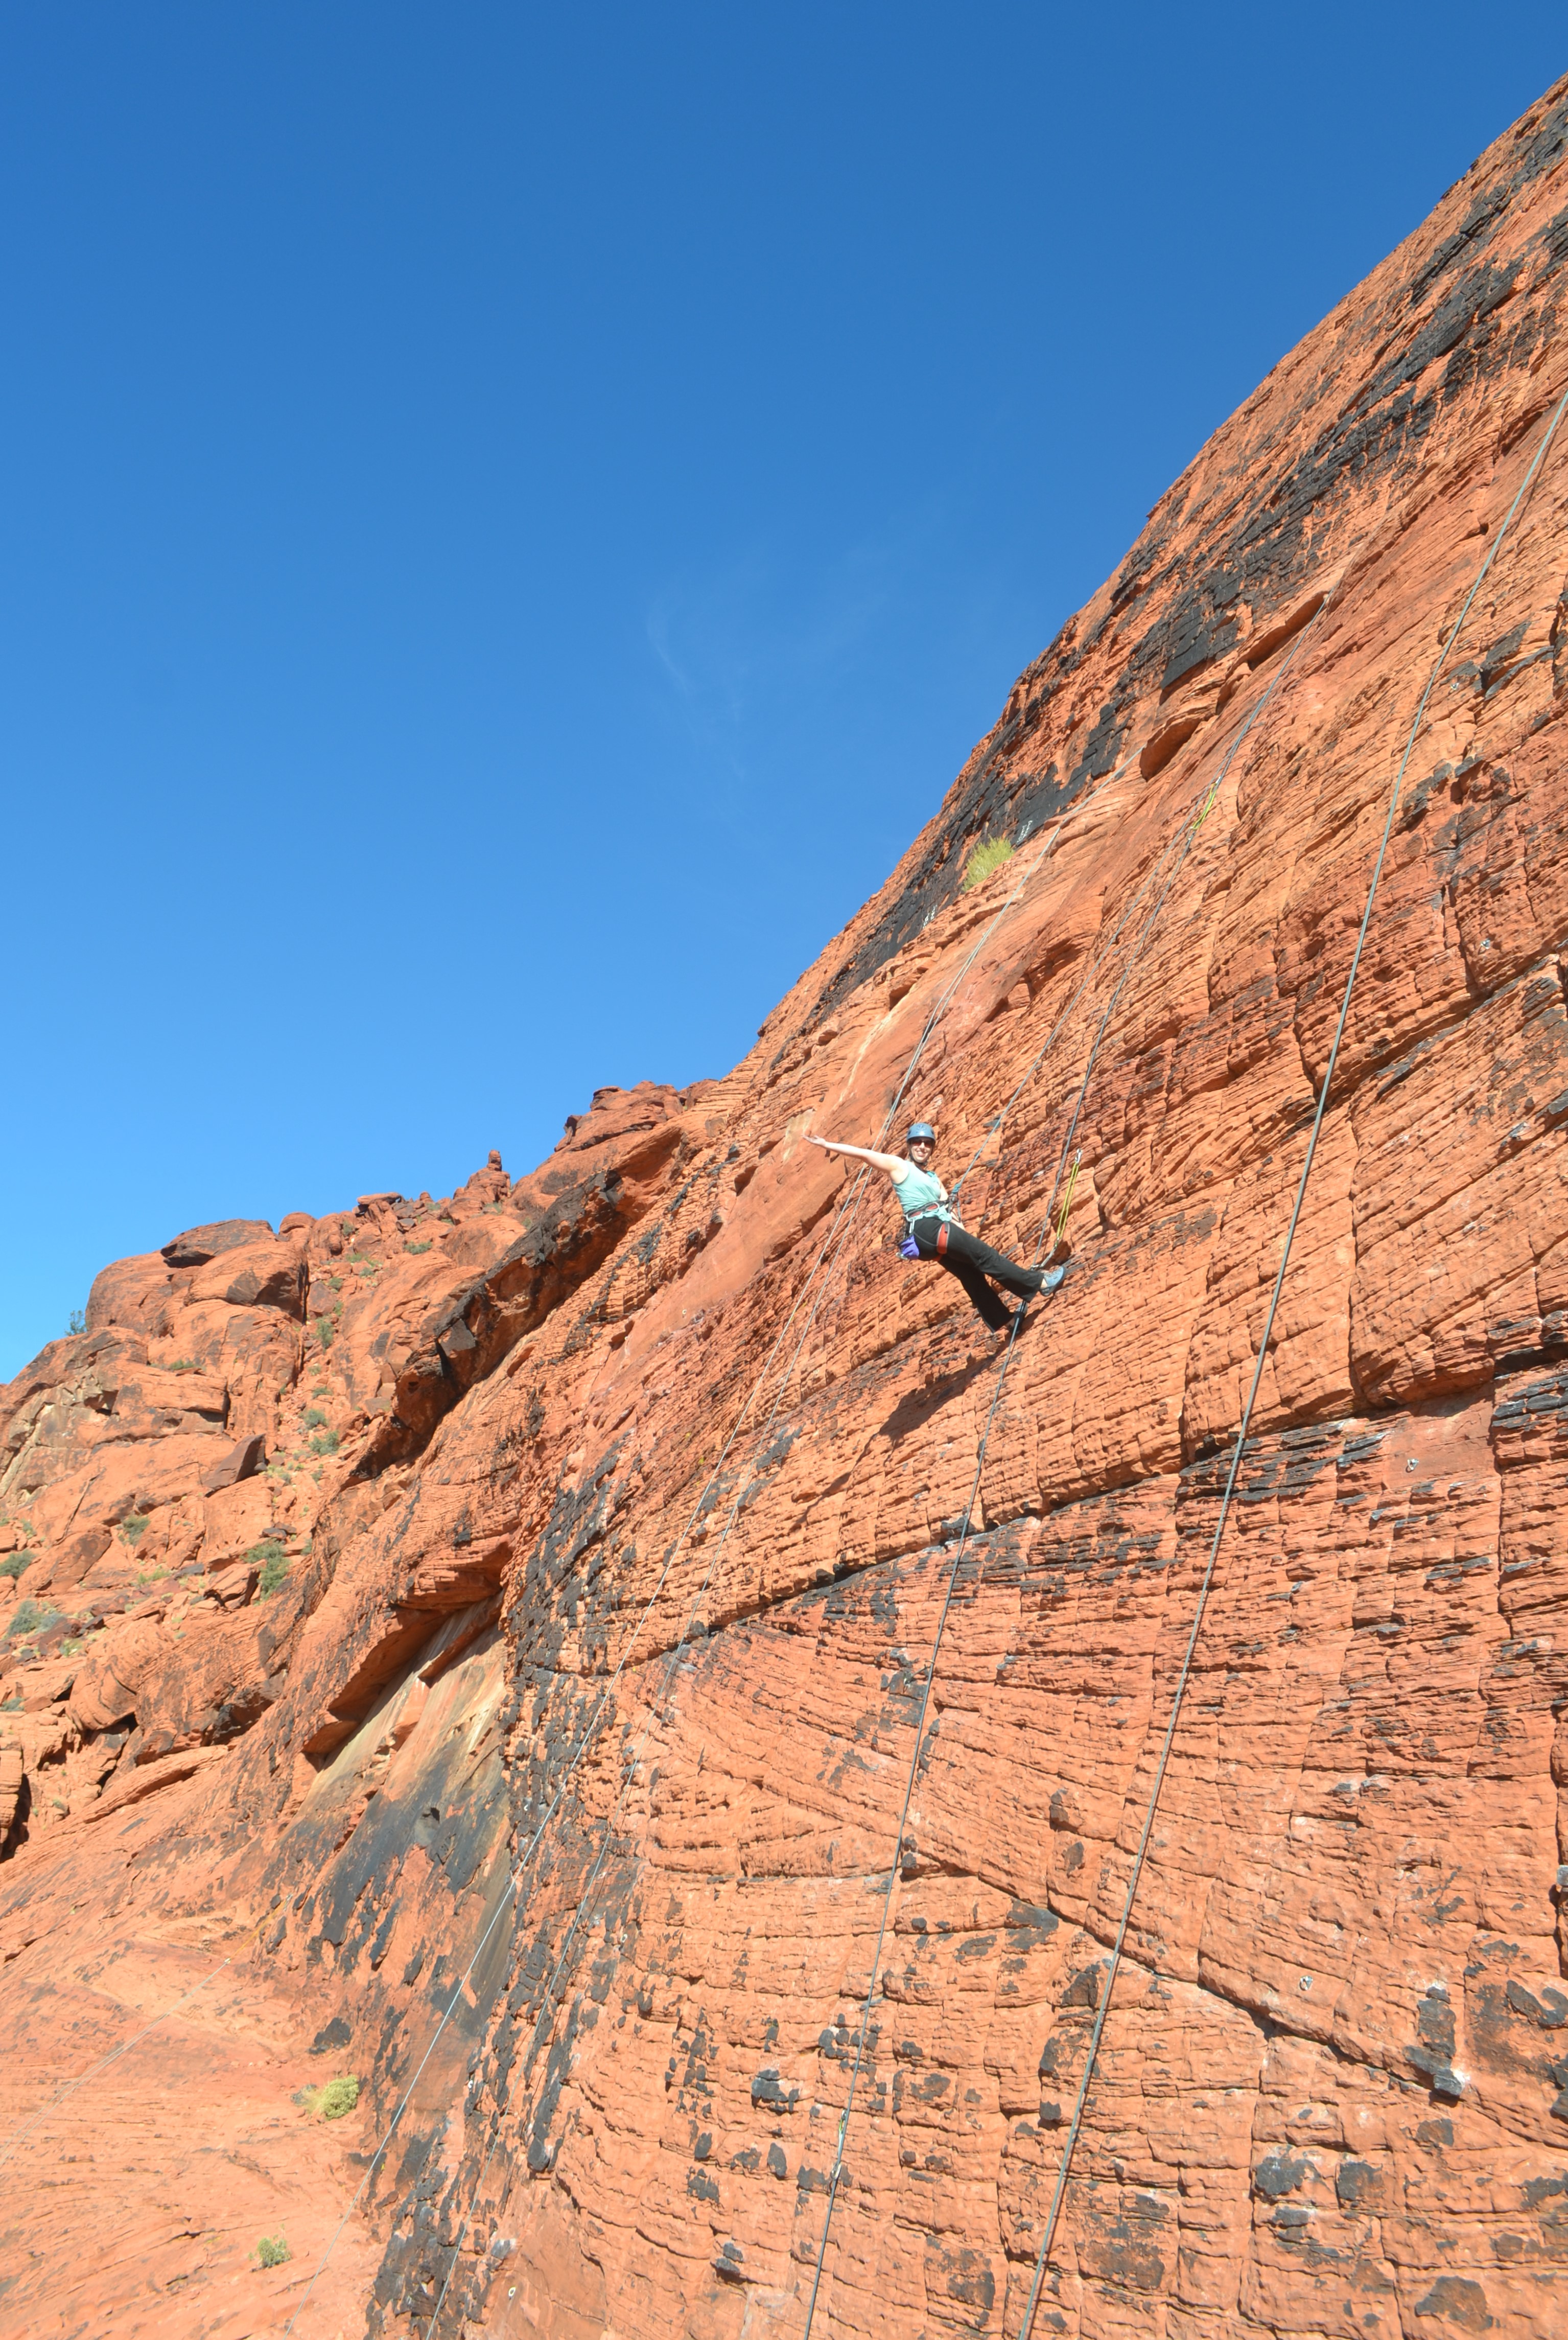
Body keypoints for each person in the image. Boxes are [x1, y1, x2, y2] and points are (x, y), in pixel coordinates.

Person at [807, 1121, 1065, 1334]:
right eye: (917, 1142)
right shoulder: (900, 1167)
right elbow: (864, 1155)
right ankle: (1039, 1283)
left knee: (972, 1274)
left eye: (927, 1143)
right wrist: (827, 1144)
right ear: (909, 1146)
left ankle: (1007, 1322)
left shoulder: (933, 1178)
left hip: (932, 1236)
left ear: (931, 1148)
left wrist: (962, 1230)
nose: (922, 1146)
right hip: (925, 1228)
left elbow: (949, 1210)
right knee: (986, 1256)